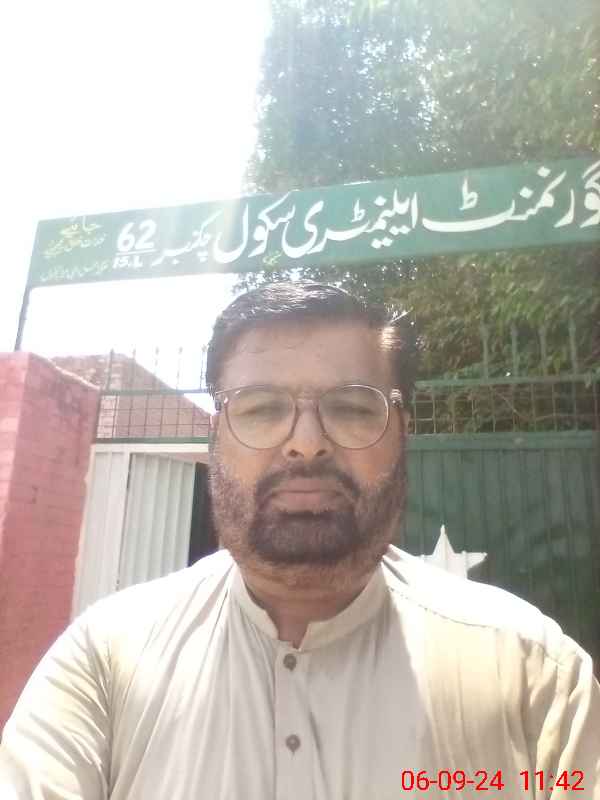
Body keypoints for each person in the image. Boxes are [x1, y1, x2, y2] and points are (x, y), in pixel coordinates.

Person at [1, 281, 598, 799]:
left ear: (402, 433)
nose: (306, 444)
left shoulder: (533, 674)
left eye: (352, 408)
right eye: (261, 409)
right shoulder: (102, 662)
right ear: (216, 438)